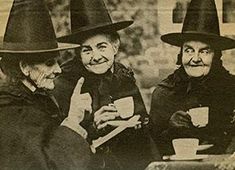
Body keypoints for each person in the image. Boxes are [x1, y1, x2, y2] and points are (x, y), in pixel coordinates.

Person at [53, 0, 153, 169]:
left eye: (101, 47)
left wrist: (137, 123)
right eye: (87, 50)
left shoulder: (123, 75)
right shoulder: (63, 82)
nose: (96, 56)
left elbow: (143, 130)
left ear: (115, 47)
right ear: (78, 53)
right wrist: (92, 127)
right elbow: (59, 149)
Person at [0, 0, 91, 169]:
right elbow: (48, 164)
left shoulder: (34, 97)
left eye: (57, 62)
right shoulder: (10, 111)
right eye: (49, 63)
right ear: (24, 67)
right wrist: (72, 120)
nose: (58, 70)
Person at [149, 0, 235, 157]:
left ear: (215, 56)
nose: (195, 58)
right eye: (189, 50)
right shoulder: (164, 93)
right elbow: (151, 151)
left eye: (204, 51)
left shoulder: (232, 88)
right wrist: (170, 129)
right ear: (181, 54)